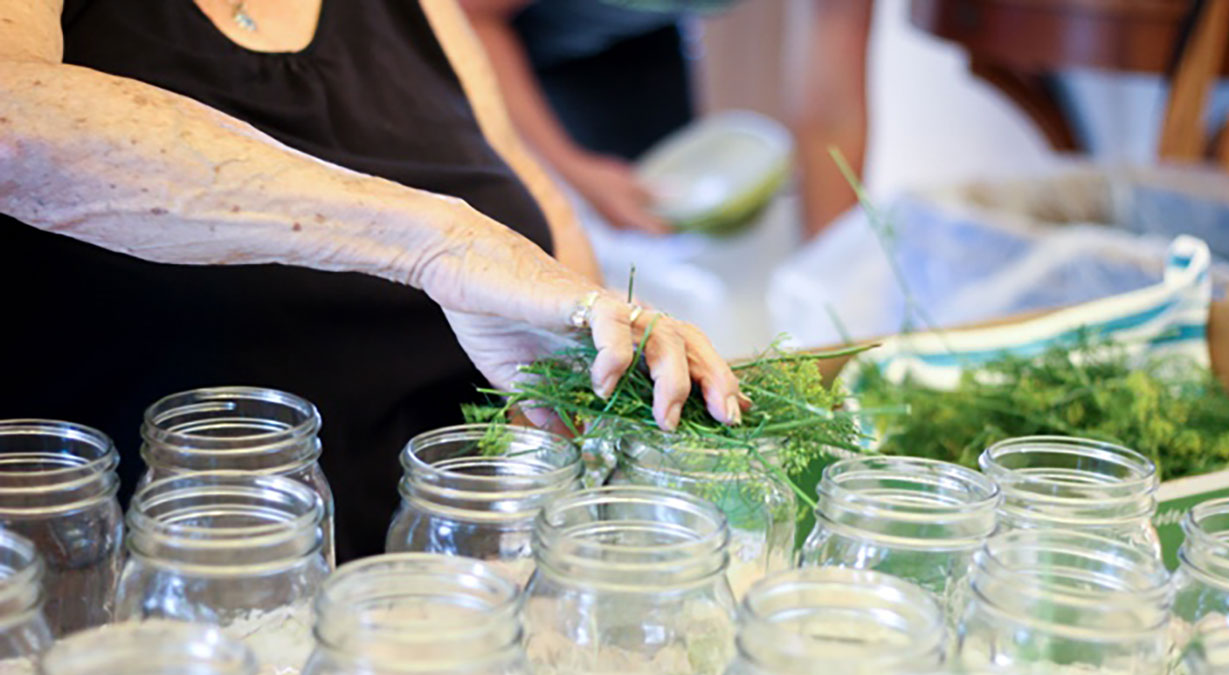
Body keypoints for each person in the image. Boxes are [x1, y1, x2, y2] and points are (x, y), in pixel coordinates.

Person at [0, 0, 743, 562]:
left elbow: (535, 214)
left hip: (448, 599)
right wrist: (439, 243)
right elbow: (17, 123)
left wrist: (595, 356)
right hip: (158, 615)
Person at [463, 0, 874, 238]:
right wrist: (569, 167)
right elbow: (468, 14)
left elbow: (833, 114)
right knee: (524, 226)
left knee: (651, 221)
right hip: (477, 25)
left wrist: (827, 266)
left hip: (629, 31)